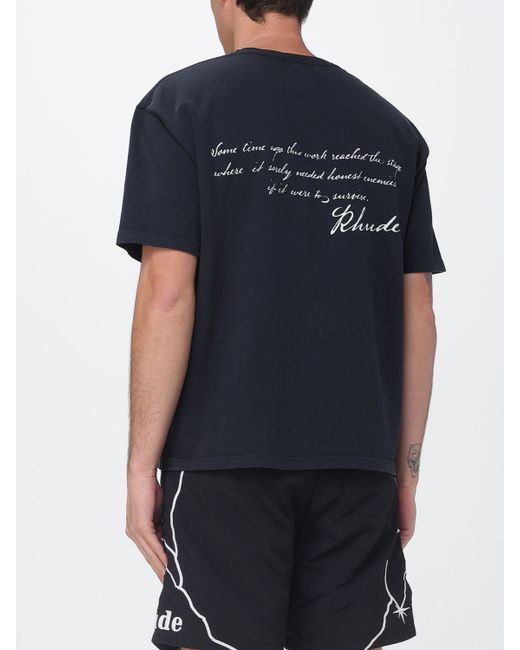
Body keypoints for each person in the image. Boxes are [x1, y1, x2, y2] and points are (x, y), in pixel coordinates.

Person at [116, 1, 445, 648]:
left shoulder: (181, 107)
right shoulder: (392, 131)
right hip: (359, 467)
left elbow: (167, 294)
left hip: (223, 466)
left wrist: (139, 469)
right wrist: (404, 474)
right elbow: (419, 313)